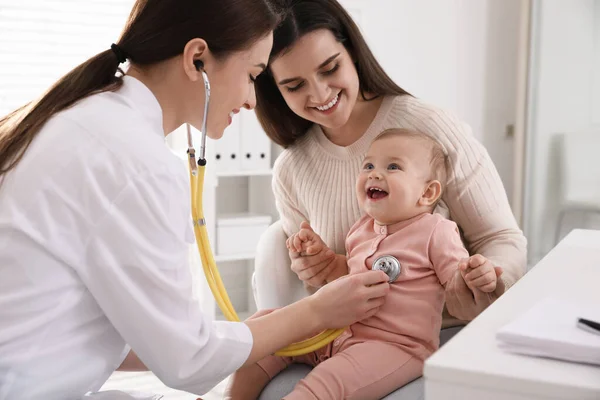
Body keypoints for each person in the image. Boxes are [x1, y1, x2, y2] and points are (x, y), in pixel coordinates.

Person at [0, 0, 393, 398]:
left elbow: (120, 332)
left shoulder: (89, 119)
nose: (253, 99)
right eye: (252, 74)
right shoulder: (136, 161)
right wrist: (315, 312)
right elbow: (188, 362)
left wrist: (251, 333)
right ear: (197, 59)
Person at [252, 0, 527, 396]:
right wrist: (311, 266)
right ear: (274, 90)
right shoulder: (292, 169)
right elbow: (331, 283)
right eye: (294, 86)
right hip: (344, 335)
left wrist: (486, 283)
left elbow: (501, 237)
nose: (320, 93)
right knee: (252, 351)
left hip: (441, 332)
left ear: (353, 53)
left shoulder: (428, 129)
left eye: (330, 69)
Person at [228, 128, 500, 399]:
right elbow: (347, 274)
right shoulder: (361, 229)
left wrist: (474, 276)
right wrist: (323, 258)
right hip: (336, 333)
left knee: (326, 382)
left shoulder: (436, 231)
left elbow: (456, 282)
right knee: (266, 329)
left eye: (393, 166)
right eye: (368, 165)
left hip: (393, 345)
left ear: (427, 193)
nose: (375, 173)